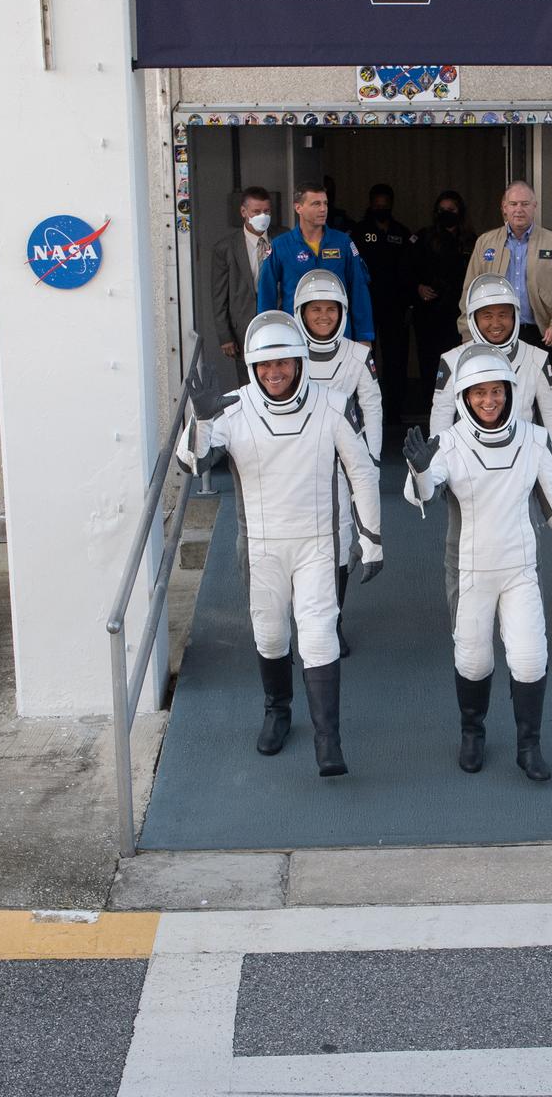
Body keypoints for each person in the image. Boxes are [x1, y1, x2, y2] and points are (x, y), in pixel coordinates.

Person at [176, 311, 383, 777]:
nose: (275, 373)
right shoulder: (232, 407)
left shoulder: (333, 404)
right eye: (265, 366)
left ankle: (329, 739)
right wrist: (202, 421)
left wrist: (371, 539)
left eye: (284, 363)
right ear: (252, 366)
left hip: (317, 544)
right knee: (270, 635)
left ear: (298, 361)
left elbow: (363, 473)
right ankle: (278, 711)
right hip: (262, 546)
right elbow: (192, 464)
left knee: (318, 636)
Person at [403, 345, 552, 781]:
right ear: (465, 397)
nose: (490, 401)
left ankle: (529, 745)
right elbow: (423, 495)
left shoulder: (534, 439)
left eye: (497, 392)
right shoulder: (447, 444)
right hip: (469, 572)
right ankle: (473, 733)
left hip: (520, 569)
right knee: (473, 660)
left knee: (529, 658)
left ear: (509, 390)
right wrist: (419, 471)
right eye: (479, 393)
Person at [294, 269, 382, 658]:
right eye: (316, 310)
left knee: (342, 543)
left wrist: (373, 460)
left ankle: (333, 620)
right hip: (297, 466)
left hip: (345, 465)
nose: (324, 317)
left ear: (342, 312)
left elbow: (373, 407)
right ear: (302, 312)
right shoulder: (288, 351)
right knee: (297, 544)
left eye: (331, 309)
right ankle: (302, 618)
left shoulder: (359, 355)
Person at [430, 274, 552, 477]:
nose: (496, 323)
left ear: (515, 316)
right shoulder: (453, 360)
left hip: (523, 464)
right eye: (487, 315)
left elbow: (551, 415)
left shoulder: (536, 357)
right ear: (473, 318)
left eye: (503, 314)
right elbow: (441, 416)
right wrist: (436, 465)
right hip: (468, 465)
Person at [457, 181, 552, 370]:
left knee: (539, 396)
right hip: (493, 334)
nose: (519, 209)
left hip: (538, 334)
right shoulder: (485, 242)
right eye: (513, 204)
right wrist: (468, 333)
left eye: (525, 204)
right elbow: (470, 291)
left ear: (534, 207)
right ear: (504, 208)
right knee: (498, 396)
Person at [258, 182, 375, 344]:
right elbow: (266, 294)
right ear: (298, 208)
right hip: (296, 339)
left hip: (340, 337)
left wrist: (364, 336)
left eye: (325, 203)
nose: (323, 209)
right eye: (316, 204)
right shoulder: (280, 246)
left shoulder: (343, 243)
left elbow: (359, 289)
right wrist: (268, 337)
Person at [350, 183, 415, 424]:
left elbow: (410, 272)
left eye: (385, 205)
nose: (381, 208)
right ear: (370, 204)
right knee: (365, 360)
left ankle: (394, 411)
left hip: (395, 306)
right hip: (365, 305)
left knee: (396, 359)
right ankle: (367, 412)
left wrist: (410, 304)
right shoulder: (358, 232)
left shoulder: (402, 232)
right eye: (377, 205)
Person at [409, 190, 476, 393]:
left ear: (460, 212)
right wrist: (418, 288)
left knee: (458, 363)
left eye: (451, 210)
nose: (446, 213)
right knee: (430, 364)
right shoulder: (423, 237)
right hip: (429, 313)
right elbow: (406, 270)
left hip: (459, 313)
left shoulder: (471, 241)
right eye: (442, 210)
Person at [210, 186, 273, 386]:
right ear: (244, 212)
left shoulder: (282, 238)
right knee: (249, 385)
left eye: (266, 211)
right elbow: (219, 296)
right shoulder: (226, 248)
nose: (262, 216)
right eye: (256, 211)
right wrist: (225, 335)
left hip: (277, 323)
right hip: (243, 330)